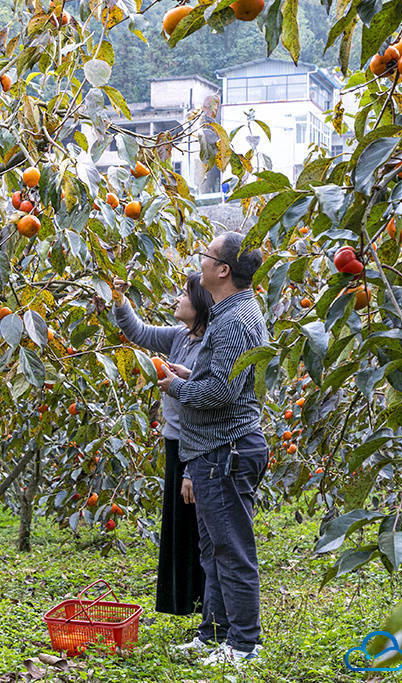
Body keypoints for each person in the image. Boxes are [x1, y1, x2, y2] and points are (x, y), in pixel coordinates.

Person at [158, 231, 268, 667]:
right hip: (213, 450)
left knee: (231, 550)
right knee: (212, 549)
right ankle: (216, 633)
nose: (198, 262)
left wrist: (178, 386)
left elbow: (221, 394)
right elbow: (222, 378)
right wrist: (191, 373)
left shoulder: (236, 320)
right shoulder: (227, 315)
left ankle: (244, 645)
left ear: (223, 270)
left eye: (206, 256)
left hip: (228, 449)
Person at [112, 273, 211, 617]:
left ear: (199, 303)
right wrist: (119, 301)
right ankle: (184, 602)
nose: (177, 300)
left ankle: (202, 603)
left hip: (197, 444)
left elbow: (204, 401)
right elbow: (139, 332)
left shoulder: (210, 345)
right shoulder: (180, 338)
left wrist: (191, 467)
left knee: (195, 527)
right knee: (178, 524)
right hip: (175, 441)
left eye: (184, 294)